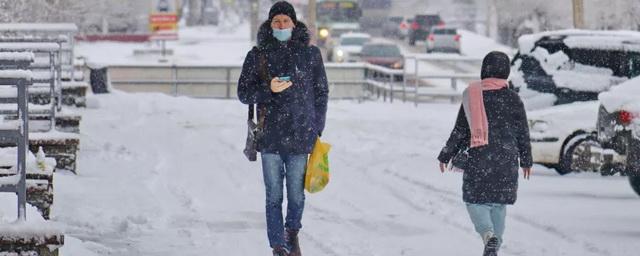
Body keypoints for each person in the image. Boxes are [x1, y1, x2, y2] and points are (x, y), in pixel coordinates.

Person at [237, 1, 329, 256]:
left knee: (297, 197)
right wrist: (269, 90)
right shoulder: (257, 55)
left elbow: (321, 92)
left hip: (301, 136)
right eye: (276, 21)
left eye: (285, 21)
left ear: (294, 23)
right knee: (274, 196)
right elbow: (243, 93)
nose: (281, 25)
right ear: (270, 24)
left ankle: (292, 232)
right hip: (270, 138)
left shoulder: (310, 54)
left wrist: (317, 127)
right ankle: (278, 245)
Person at [437, 51, 532, 256]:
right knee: (498, 204)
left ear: (484, 69)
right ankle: (494, 248)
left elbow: (461, 130)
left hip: (480, 158)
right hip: (507, 160)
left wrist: (446, 154)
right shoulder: (513, 99)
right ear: (506, 71)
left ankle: (488, 236)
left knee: (475, 200)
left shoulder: (472, 95)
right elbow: (522, 132)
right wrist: (526, 160)